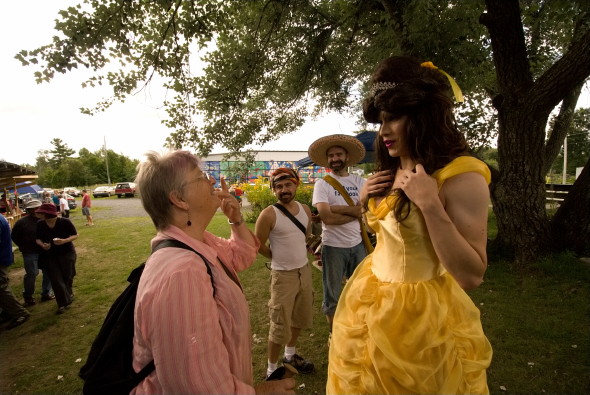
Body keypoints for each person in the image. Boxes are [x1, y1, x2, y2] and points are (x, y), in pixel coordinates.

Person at [326, 56, 493, 394]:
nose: (384, 131)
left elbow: (472, 274)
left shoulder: (461, 175)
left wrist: (431, 205)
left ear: (423, 117)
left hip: (421, 319)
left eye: (394, 118)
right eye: (381, 121)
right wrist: (364, 203)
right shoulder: (392, 168)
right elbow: (391, 234)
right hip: (369, 303)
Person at [131, 150, 295, 394]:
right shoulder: (181, 274)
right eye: (201, 177)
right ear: (179, 199)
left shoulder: (199, 241)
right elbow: (196, 387)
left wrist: (236, 219)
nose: (211, 181)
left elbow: (243, 255)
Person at [255, 168, 315, 379]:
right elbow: (257, 244)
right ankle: (271, 370)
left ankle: (290, 355)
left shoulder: (305, 210)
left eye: (288, 185)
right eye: (278, 187)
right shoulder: (269, 214)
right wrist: (275, 256)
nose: (283, 190)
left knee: (299, 317)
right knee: (279, 324)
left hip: (304, 272)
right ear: (273, 191)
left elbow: (306, 236)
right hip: (283, 277)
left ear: (296, 185)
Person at [308, 134, 367, 333]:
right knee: (332, 295)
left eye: (338, 154)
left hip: (358, 245)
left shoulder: (360, 181)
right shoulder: (322, 184)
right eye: (331, 156)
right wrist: (355, 212)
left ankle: (358, 331)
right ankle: (335, 337)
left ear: (347, 157)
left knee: (361, 291)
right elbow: (327, 218)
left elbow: (366, 210)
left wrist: (336, 208)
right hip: (333, 246)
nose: (335, 159)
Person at [35, 203, 78, 315]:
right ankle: (62, 304)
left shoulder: (64, 222)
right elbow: (37, 239)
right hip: (50, 255)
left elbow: (75, 235)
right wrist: (43, 245)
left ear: (48, 214)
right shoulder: (40, 224)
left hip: (67, 253)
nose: (39, 214)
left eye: (41, 212)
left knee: (68, 276)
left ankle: (68, 293)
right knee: (56, 279)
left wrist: (64, 241)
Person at [11, 199, 54, 306]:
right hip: (30, 252)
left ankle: (46, 293)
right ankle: (28, 296)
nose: (36, 210)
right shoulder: (22, 222)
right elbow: (14, 236)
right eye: (33, 208)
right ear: (29, 210)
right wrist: (23, 246)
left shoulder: (45, 220)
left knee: (48, 272)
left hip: (44, 251)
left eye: (37, 208)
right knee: (32, 274)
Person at [0, 214, 31, 329]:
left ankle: (19, 313)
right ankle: (8, 312)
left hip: (1, 259)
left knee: (1, 288)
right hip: (3, 258)